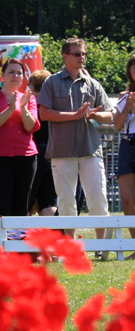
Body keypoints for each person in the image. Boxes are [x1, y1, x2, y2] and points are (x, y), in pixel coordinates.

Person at [38, 38, 113, 240]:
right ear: (65, 56)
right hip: (61, 151)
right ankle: (70, 245)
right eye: (77, 53)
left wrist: (96, 116)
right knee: (66, 200)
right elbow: (43, 114)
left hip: (90, 149)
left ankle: (101, 246)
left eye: (83, 53)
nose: (82, 57)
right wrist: (73, 115)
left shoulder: (93, 84)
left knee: (97, 197)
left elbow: (110, 115)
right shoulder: (51, 82)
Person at [0, 59, 39, 220]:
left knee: (21, 206)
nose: (15, 76)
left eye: (19, 73)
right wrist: (11, 108)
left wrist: (23, 106)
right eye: (11, 72)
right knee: (0, 207)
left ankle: (17, 243)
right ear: (3, 76)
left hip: (26, 157)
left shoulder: (29, 98)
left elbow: (31, 127)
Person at [27, 70, 58, 217]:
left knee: (25, 200)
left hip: (33, 154)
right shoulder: (54, 105)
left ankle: (18, 237)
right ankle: (52, 237)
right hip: (52, 154)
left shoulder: (30, 105)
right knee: (49, 201)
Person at [113, 55, 135, 256]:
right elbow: (117, 126)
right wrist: (127, 108)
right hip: (129, 144)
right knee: (127, 200)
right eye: (134, 68)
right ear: (130, 72)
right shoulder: (124, 95)